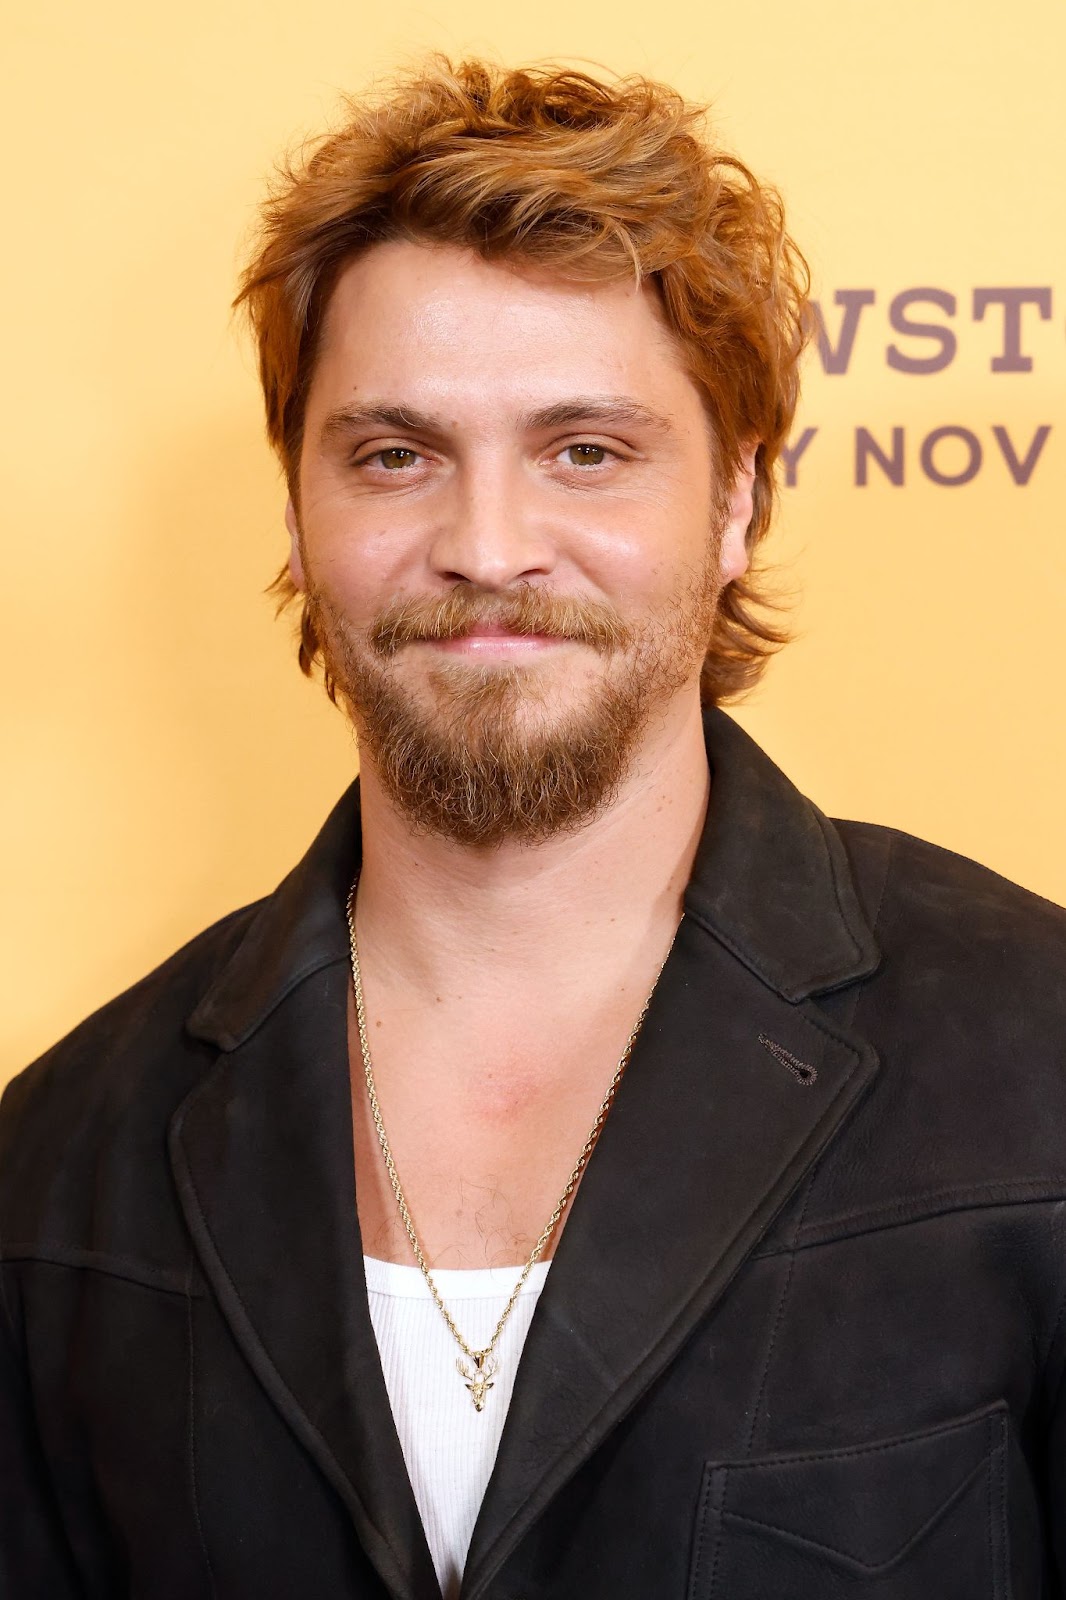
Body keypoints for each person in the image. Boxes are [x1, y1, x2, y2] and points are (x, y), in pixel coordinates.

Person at [1, 55, 1064, 1600]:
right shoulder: (62, 1169)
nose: (486, 546)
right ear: (299, 514)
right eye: (393, 455)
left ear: (737, 503)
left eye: (586, 451)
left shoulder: (1035, 1063)